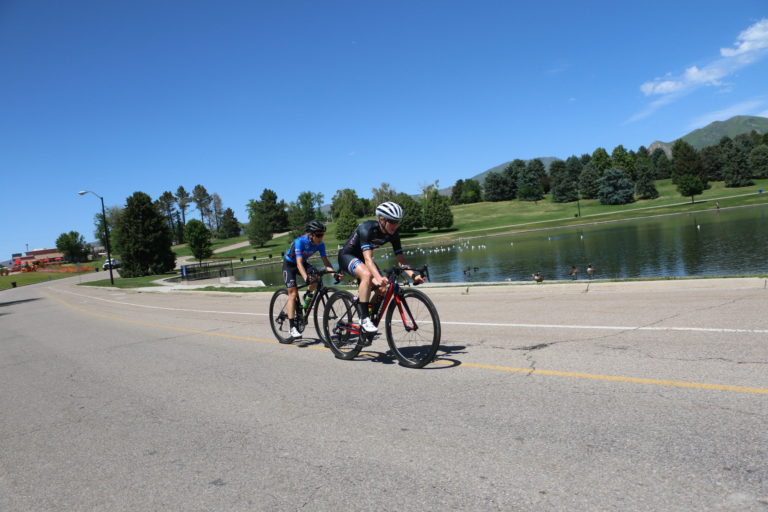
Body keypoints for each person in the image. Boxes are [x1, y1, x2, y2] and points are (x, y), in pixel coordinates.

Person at [338, 201, 424, 333]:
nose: (396, 225)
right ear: (382, 220)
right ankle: (364, 318)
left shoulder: (394, 233)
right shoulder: (367, 228)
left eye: (398, 221)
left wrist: (414, 275)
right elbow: (367, 259)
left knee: (382, 289)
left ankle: (367, 310)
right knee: (367, 275)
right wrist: (378, 277)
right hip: (347, 255)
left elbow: (401, 259)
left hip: (363, 259)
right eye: (393, 221)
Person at [282, 220, 336, 339]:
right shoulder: (300, 242)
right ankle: (292, 328)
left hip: (303, 263)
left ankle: (307, 295)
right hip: (290, 265)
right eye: (318, 235)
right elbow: (299, 263)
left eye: (322, 234)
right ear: (310, 235)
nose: (321, 238)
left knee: (316, 276)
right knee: (293, 293)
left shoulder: (320, 244)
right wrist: (306, 278)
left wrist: (334, 274)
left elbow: (326, 262)